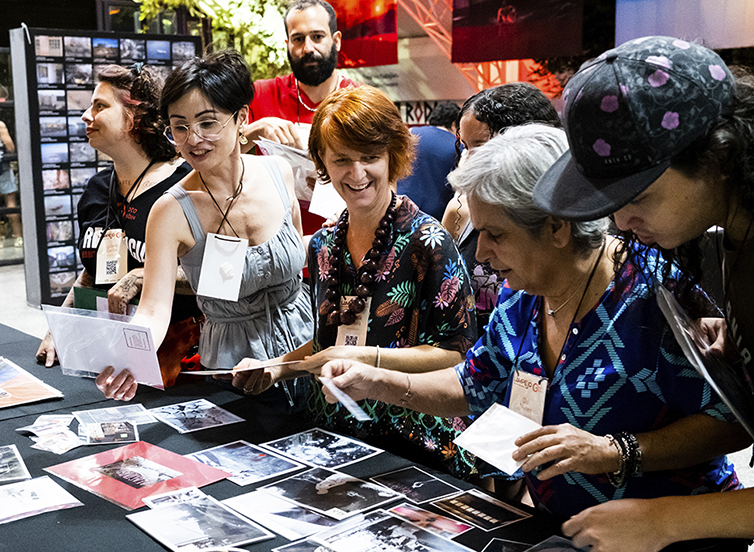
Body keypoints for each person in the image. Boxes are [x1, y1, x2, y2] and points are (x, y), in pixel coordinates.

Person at [317, 124, 750, 552]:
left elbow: (731, 424)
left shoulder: (651, 299)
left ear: (557, 227)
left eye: (496, 234)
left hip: (671, 540)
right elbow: (473, 385)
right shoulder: (521, 294)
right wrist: (377, 382)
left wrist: (615, 451)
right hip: (562, 532)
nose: (481, 252)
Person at [533, 36, 754, 551]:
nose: (622, 220)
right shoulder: (740, 231)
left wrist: (663, 520)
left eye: (639, 196)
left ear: (719, 157)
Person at [232, 85, 478, 478]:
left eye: (370, 157)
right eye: (342, 159)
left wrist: (366, 360)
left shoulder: (428, 242)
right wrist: (277, 367)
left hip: (412, 441)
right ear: (322, 164)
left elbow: (456, 353)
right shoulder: (324, 244)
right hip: (332, 434)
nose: (357, 173)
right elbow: (329, 342)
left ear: (393, 157)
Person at [96, 51, 313, 410]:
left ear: (241, 117)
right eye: (179, 127)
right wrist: (130, 357)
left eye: (207, 123)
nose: (193, 139)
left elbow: (294, 253)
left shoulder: (279, 172)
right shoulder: (170, 211)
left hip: (307, 351)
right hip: (234, 374)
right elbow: (153, 309)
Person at [35, 64, 199, 376]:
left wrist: (142, 276)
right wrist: (58, 330)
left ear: (135, 117)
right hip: (109, 355)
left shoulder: (187, 185)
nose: (86, 116)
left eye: (100, 106)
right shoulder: (97, 188)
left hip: (178, 361)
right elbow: (91, 273)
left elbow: (213, 274)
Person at [441, 82, 561, 335]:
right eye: (466, 147)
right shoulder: (460, 212)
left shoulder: (563, 218)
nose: (470, 158)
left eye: (481, 145)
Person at [243, 0, 359, 236]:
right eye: (298, 39)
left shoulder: (362, 102)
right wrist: (255, 131)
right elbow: (222, 157)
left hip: (343, 242)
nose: (307, 48)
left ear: (336, 40)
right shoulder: (260, 94)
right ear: (287, 44)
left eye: (317, 37)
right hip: (272, 242)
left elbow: (388, 183)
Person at [396, 102, 460, 221]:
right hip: (434, 216)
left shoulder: (410, 133)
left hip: (400, 206)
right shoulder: (457, 146)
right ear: (453, 124)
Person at [0, 119, 22, 249]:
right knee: (11, 203)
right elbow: (10, 147)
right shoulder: (0, 125)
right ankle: (18, 237)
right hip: (3, 169)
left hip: (3, 170)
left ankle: (1, 239)